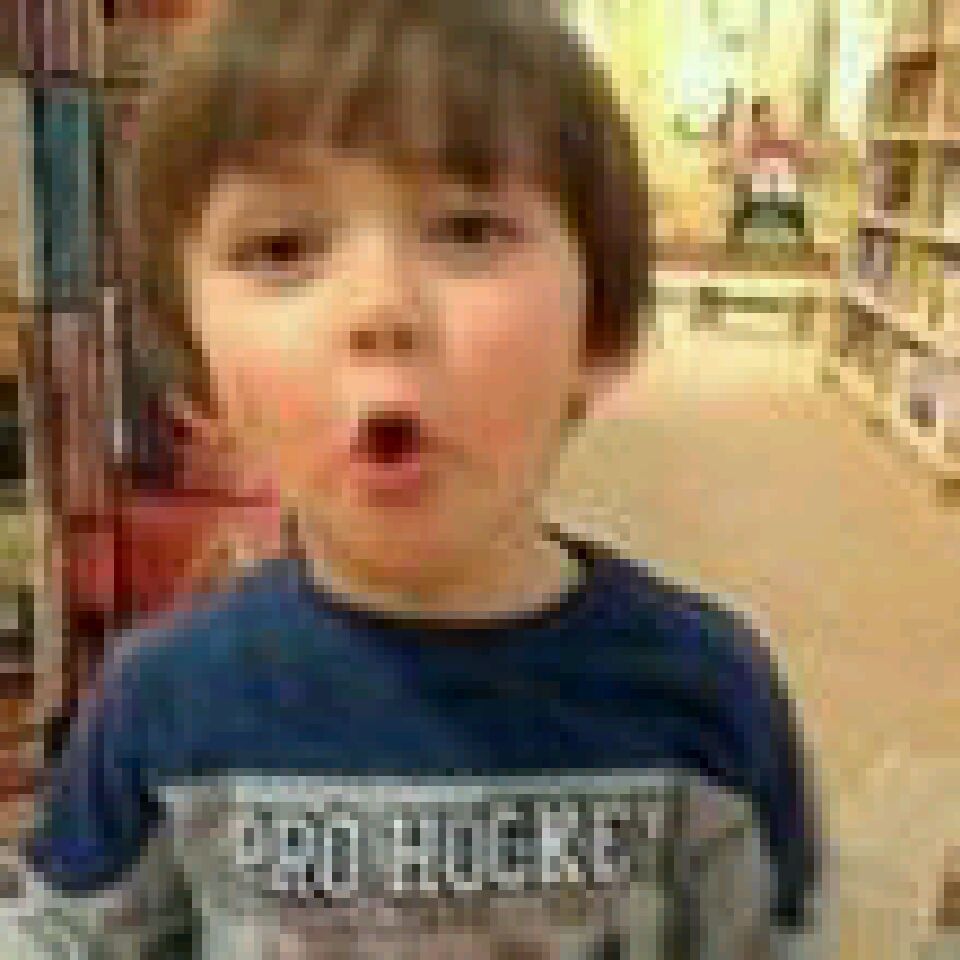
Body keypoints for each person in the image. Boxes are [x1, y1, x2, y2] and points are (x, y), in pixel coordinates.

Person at [5, 0, 828, 956]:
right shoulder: (163, 704)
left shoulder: (707, 692)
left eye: (469, 230)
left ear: (599, 330)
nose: (381, 308)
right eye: (281, 248)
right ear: (198, 374)